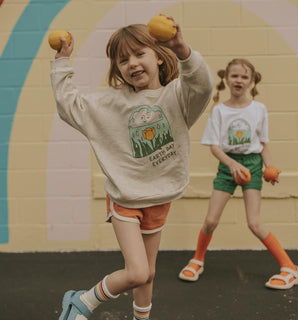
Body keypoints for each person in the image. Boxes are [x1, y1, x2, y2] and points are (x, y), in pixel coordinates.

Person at [50, 16, 214, 320]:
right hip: (126, 199)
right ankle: (81, 302)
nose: (132, 63)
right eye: (123, 59)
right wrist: (62, 63)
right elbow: (70, 107)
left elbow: (202, 85)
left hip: (159, 198)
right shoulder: (112, 104)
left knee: (148, 274)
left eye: (140, 54)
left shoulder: (177, 96)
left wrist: (182, 48)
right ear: (117, 69)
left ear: (159, 57)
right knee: (137, 272)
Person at [178, 58, 298, 290]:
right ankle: (197, 260)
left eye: (245, 77)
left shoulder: (259, 109)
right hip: (228, 165)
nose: (239, 80)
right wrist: (231, 164)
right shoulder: (219, 111)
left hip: (253, 164)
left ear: (252, 81)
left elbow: (263, 144)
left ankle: (290, 268)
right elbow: (214, 146)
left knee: (254, 223)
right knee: (211, 220)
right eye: (234, 75)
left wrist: (270, 168)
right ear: (226, 79)